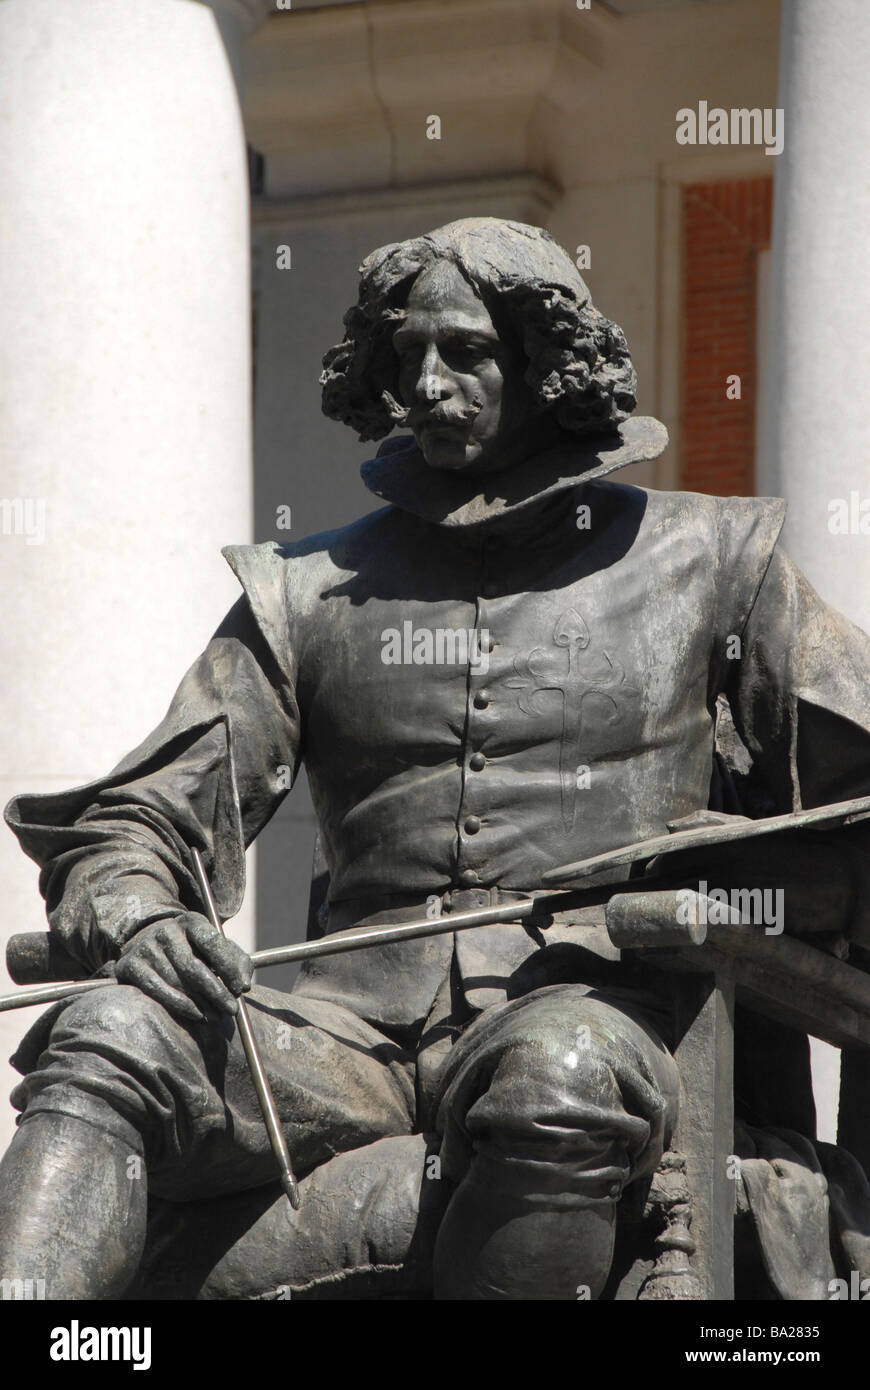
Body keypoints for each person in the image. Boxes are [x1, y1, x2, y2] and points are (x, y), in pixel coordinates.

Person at [2, 218, 870, 1301]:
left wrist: (757, 883)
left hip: (595, 1010)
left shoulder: (716, 562)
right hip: (339, 1039)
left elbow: (858, 819)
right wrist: (135, 903)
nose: (427, 382)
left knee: (555, 1076)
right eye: (406, 355)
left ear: (550, 366)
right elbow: (143, 812)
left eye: (465, 352)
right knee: (108, 1029)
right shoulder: (309, 591)